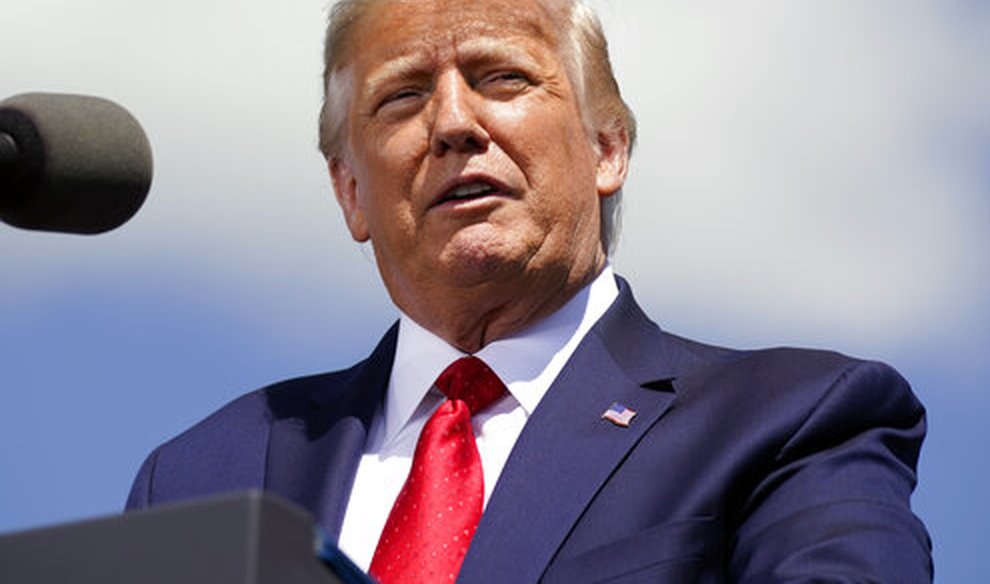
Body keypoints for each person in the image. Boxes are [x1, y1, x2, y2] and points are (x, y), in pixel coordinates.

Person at [126, 0, 933, 581]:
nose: (453, 123)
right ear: (349, 192)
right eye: (403, 96)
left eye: (502, 78)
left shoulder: (791, 421)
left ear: (607, 147)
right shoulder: (205, 477)